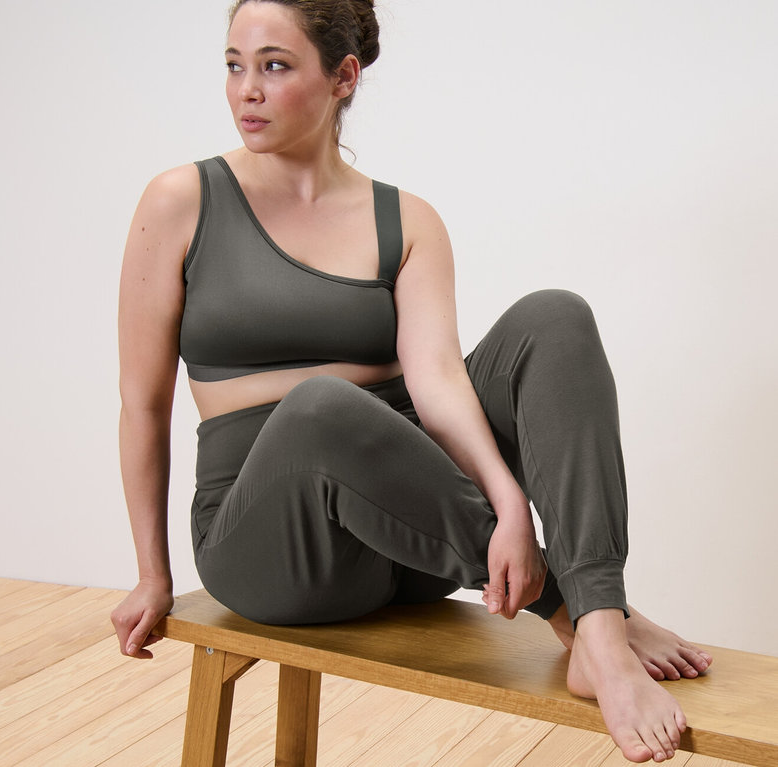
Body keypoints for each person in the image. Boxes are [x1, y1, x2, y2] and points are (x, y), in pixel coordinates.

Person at [110, 0, 713, 762]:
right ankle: (588, 621)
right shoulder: (181, 201)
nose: (246, 89)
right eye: (234, 65)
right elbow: (142, 403)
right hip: (274, 544)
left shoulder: (407, 220)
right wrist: (151, 574)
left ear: (343, 76)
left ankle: (600, 604)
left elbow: (437, 384)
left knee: (555, 318)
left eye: (274, 65)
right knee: (321, 406)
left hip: (414, 534)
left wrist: (509, 502)